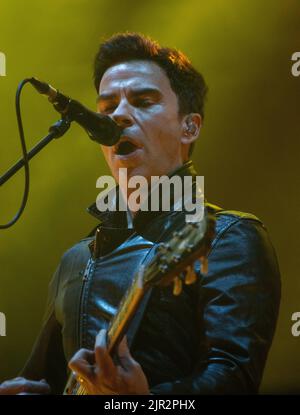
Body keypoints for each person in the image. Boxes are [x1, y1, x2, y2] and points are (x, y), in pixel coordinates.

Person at [0, 33, 281, 395]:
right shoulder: (75, 259)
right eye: (106, 108)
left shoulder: (226, 237)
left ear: (189, 126)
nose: (117, 115)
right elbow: (46, 381)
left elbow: (234, 382)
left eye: (143, 101)